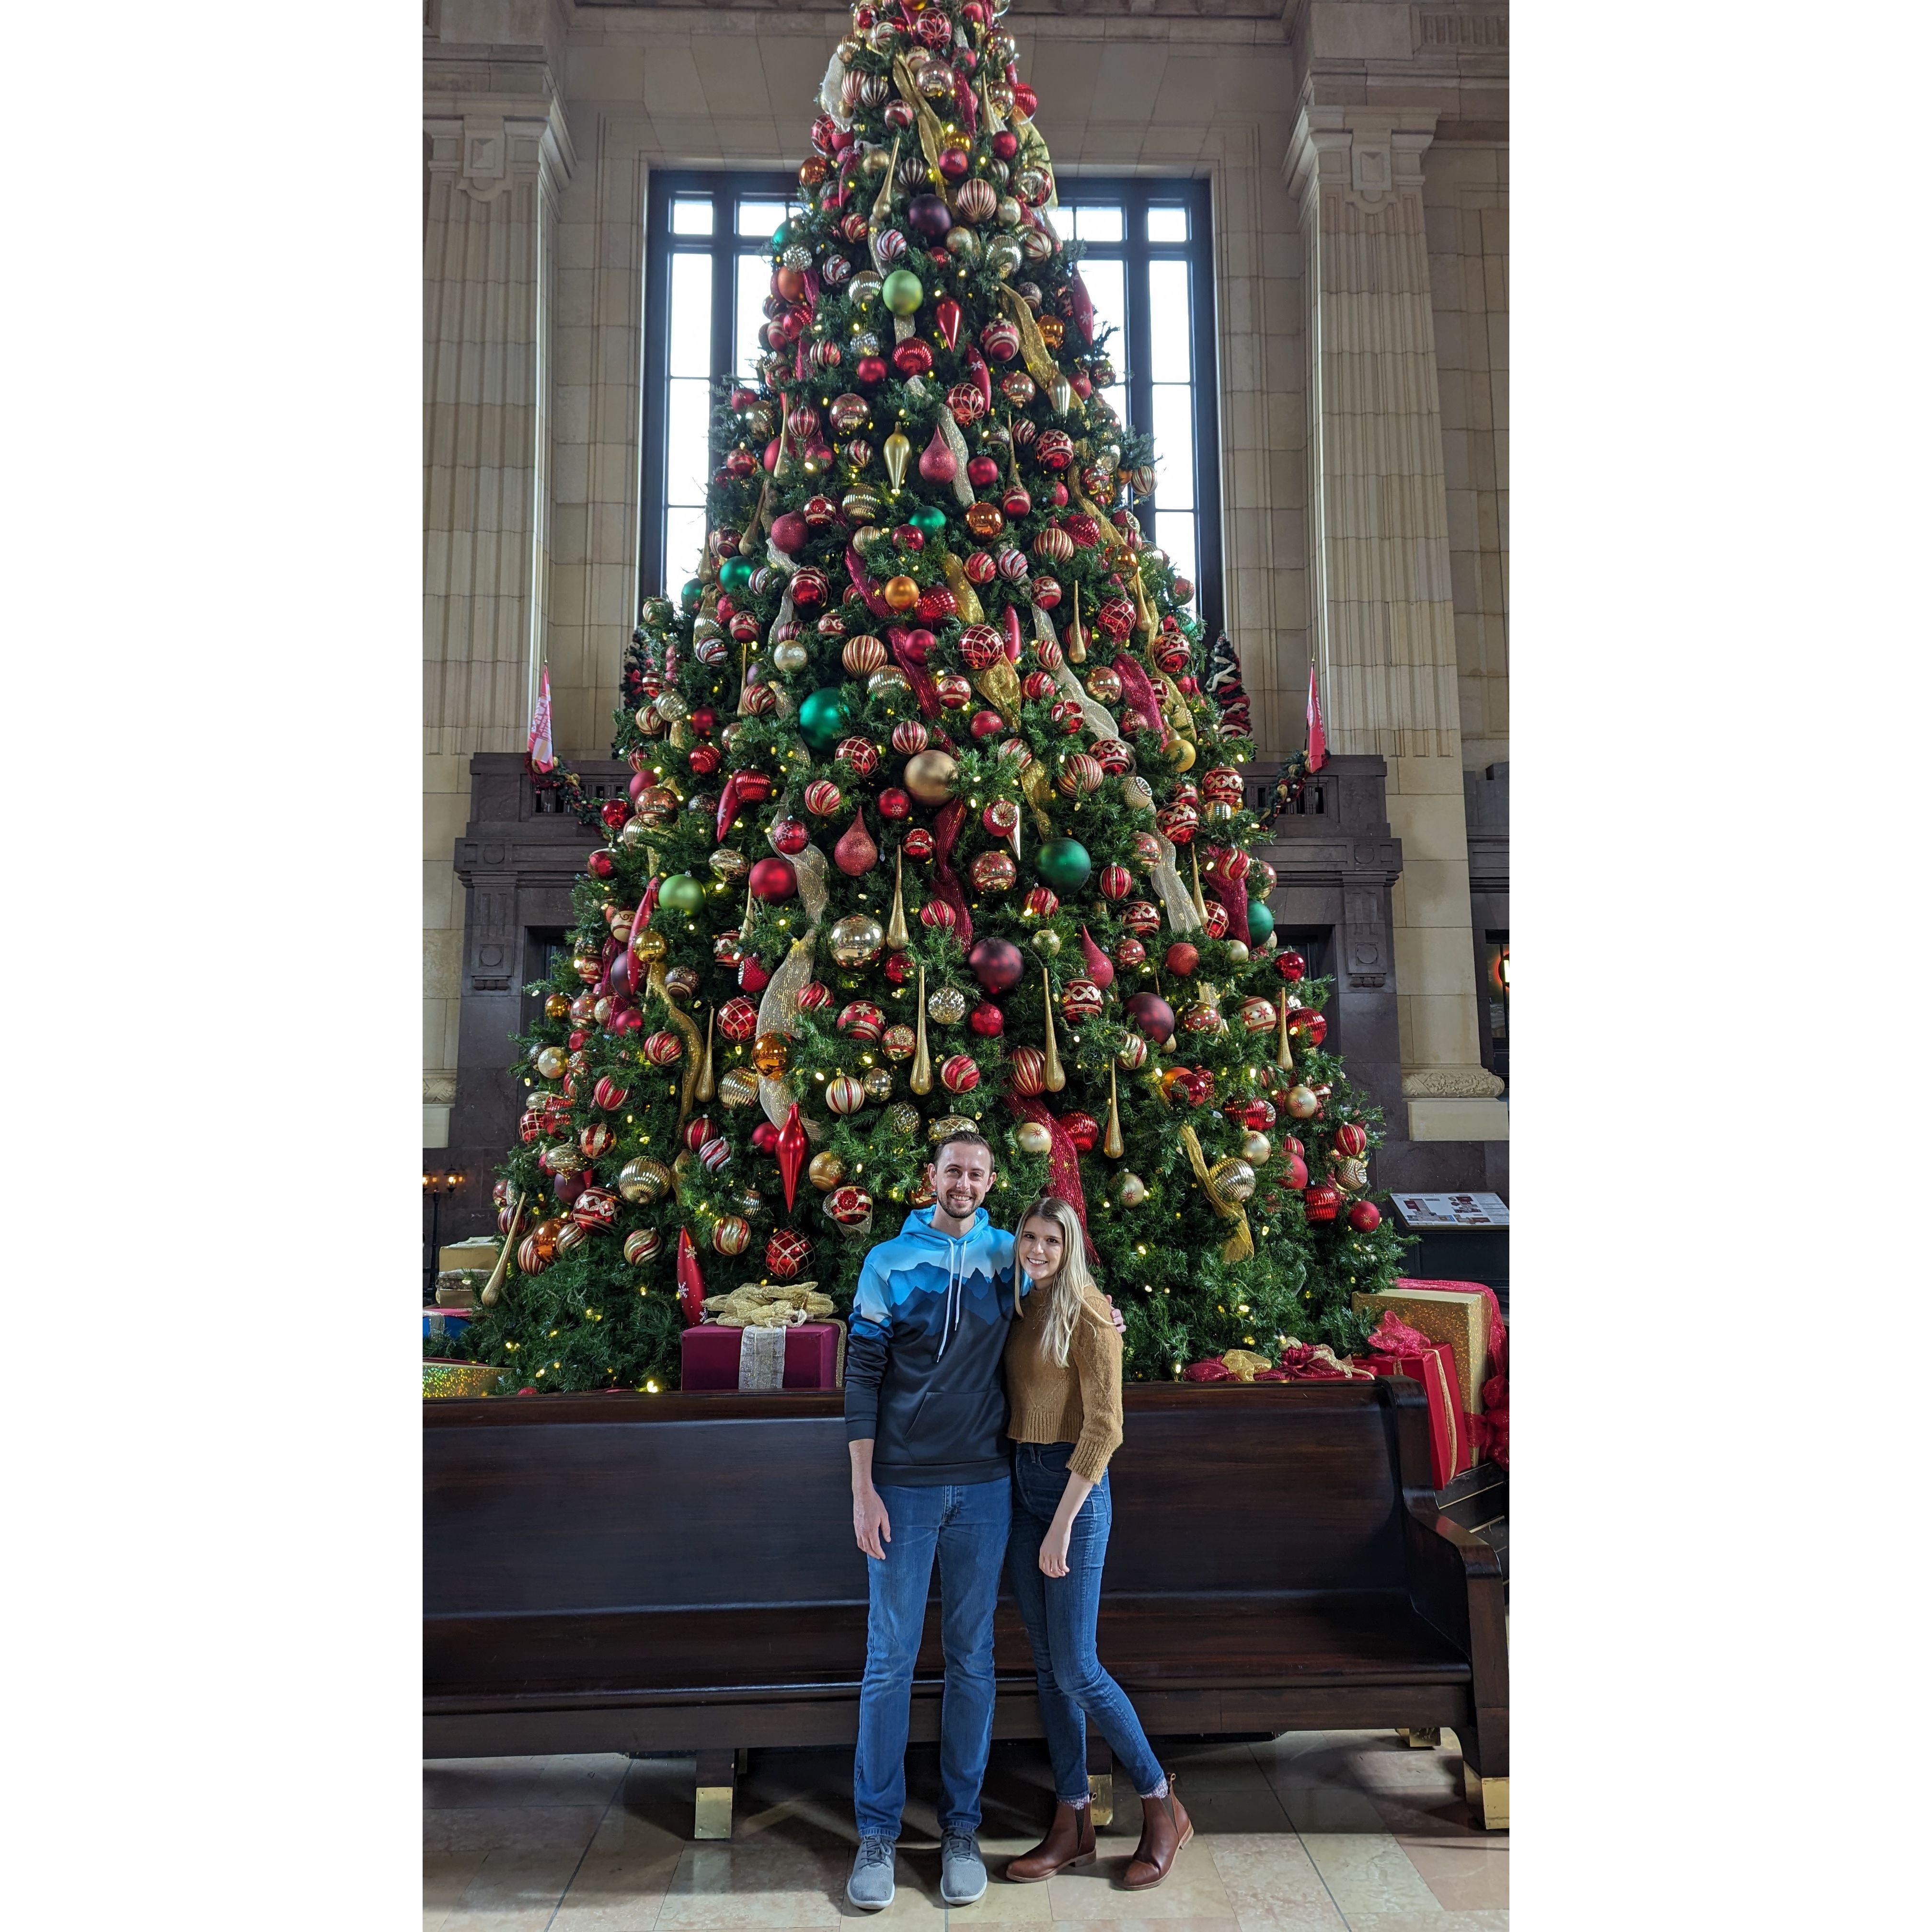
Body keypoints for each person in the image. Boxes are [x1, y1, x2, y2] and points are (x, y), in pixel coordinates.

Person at [842, 1129, 1017, 1912]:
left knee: (974, 1660)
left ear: (989, 1182)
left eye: (978, 1173)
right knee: (891, 1659)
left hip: (986, 1486)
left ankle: (961, 1831)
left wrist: (1105, 1318)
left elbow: (1067, 1305)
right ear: (932, 1177)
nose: (965, 1183)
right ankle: (876, 1834)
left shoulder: (1014, 1254)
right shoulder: (887, 1261)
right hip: (903, 1489)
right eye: (954, 1170)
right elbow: (863, 1377)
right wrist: (862, 1490)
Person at [1000, 1194, 1193, 1891]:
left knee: (1079, 1667)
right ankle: (1074, 1819)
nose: (1039, 1250)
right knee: (1050, 1665)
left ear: (1070, 1244)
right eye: (1029, 1237)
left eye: (1052, 1239)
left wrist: (1061, 1524)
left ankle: (1159, 1803)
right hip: (1022, 1485)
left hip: (1071, 1494)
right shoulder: (1023, 1305)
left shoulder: (1086, 1310)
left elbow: (1106, 1427)